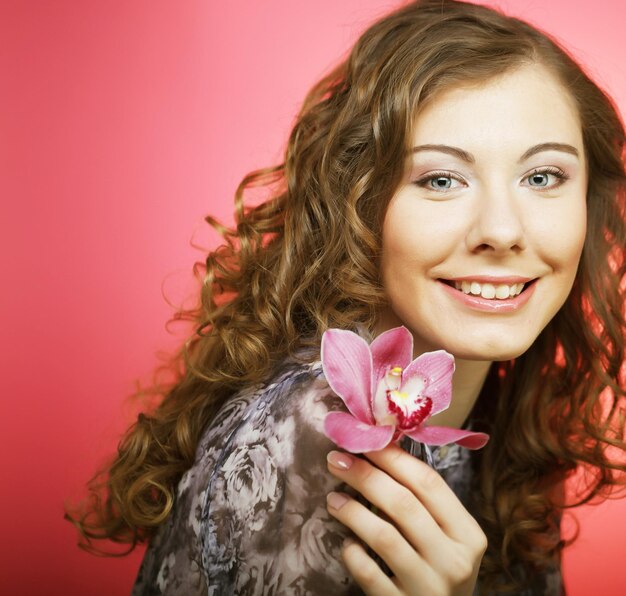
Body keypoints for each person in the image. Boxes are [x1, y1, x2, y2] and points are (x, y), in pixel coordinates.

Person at [67, 0, 626, 593]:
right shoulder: (314, 433)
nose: (504, 231)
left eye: (542, 177)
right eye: (440, 179)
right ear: (359, 206)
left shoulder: (515, 414)